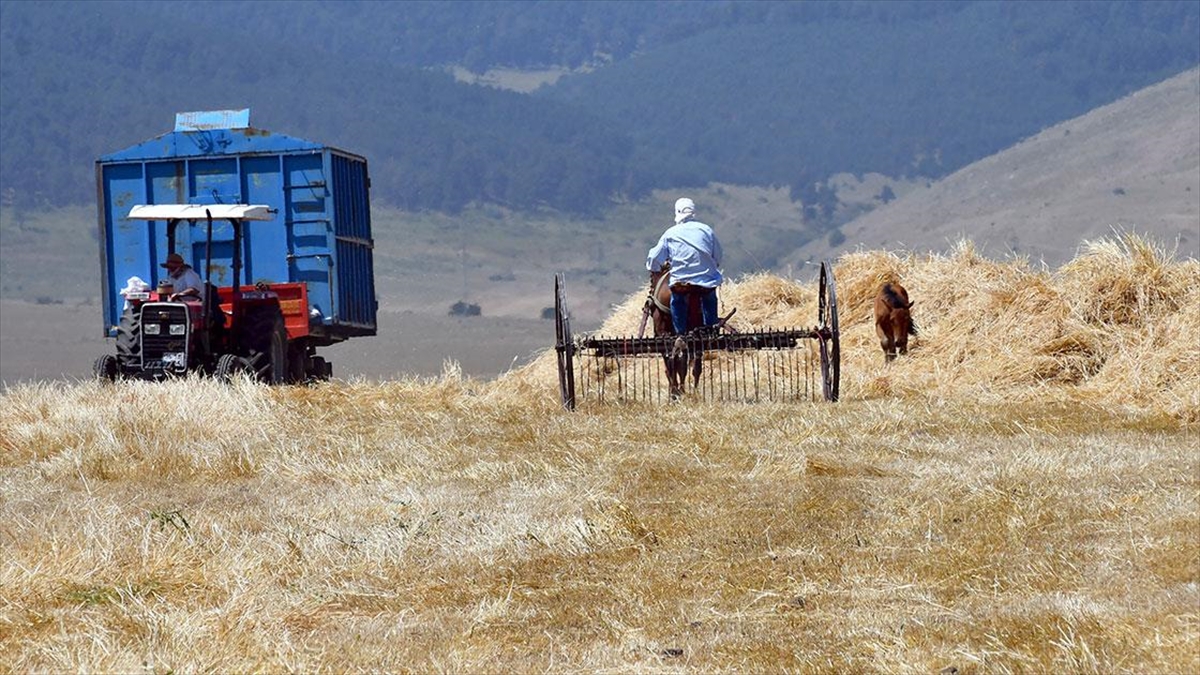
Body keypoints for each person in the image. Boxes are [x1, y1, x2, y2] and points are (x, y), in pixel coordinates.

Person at [646, 197, 724, 334]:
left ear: (677, 212)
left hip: (681, 282)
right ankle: (711, 329)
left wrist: (655, 269)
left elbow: (654, 257)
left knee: (677, 301)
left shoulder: (670, 233)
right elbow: (717, 255)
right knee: (709, 298)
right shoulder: (706, 230)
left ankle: (680, 333)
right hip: (705, 281)